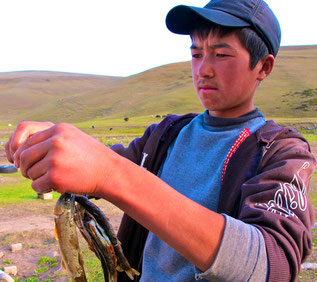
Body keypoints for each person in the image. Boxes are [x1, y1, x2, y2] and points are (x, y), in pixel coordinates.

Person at [5, 0, 316, 281]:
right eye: (196, 53)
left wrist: (111, 174)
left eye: (221, 54)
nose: (203, 69)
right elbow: (98, 161)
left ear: (264, 66)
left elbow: (272, 264)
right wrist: (50, 143)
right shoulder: (168, 134)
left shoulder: (281, 151)